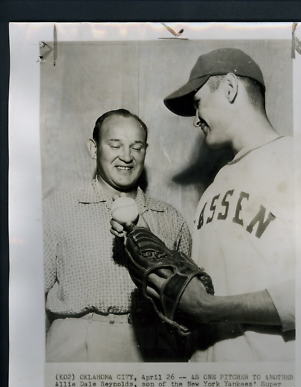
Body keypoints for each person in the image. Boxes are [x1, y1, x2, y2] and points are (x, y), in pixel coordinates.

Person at [147, 48, 295, 362]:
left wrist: (208, 309)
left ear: (229, 88)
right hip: (209, 385)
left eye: (197, 103)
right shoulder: (215, 187)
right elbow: (207, 292)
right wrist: (178, 304)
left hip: (266, 385)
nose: (195, 120)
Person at [43, 108, 191, 362]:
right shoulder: (59, 208)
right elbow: (28, 295)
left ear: (146, 150)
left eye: (136, 147)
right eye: (115, 145)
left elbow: (186, 302)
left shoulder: (170, 217)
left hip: (153, 347)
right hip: (78, 345)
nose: (127, 156)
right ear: (94, 148)